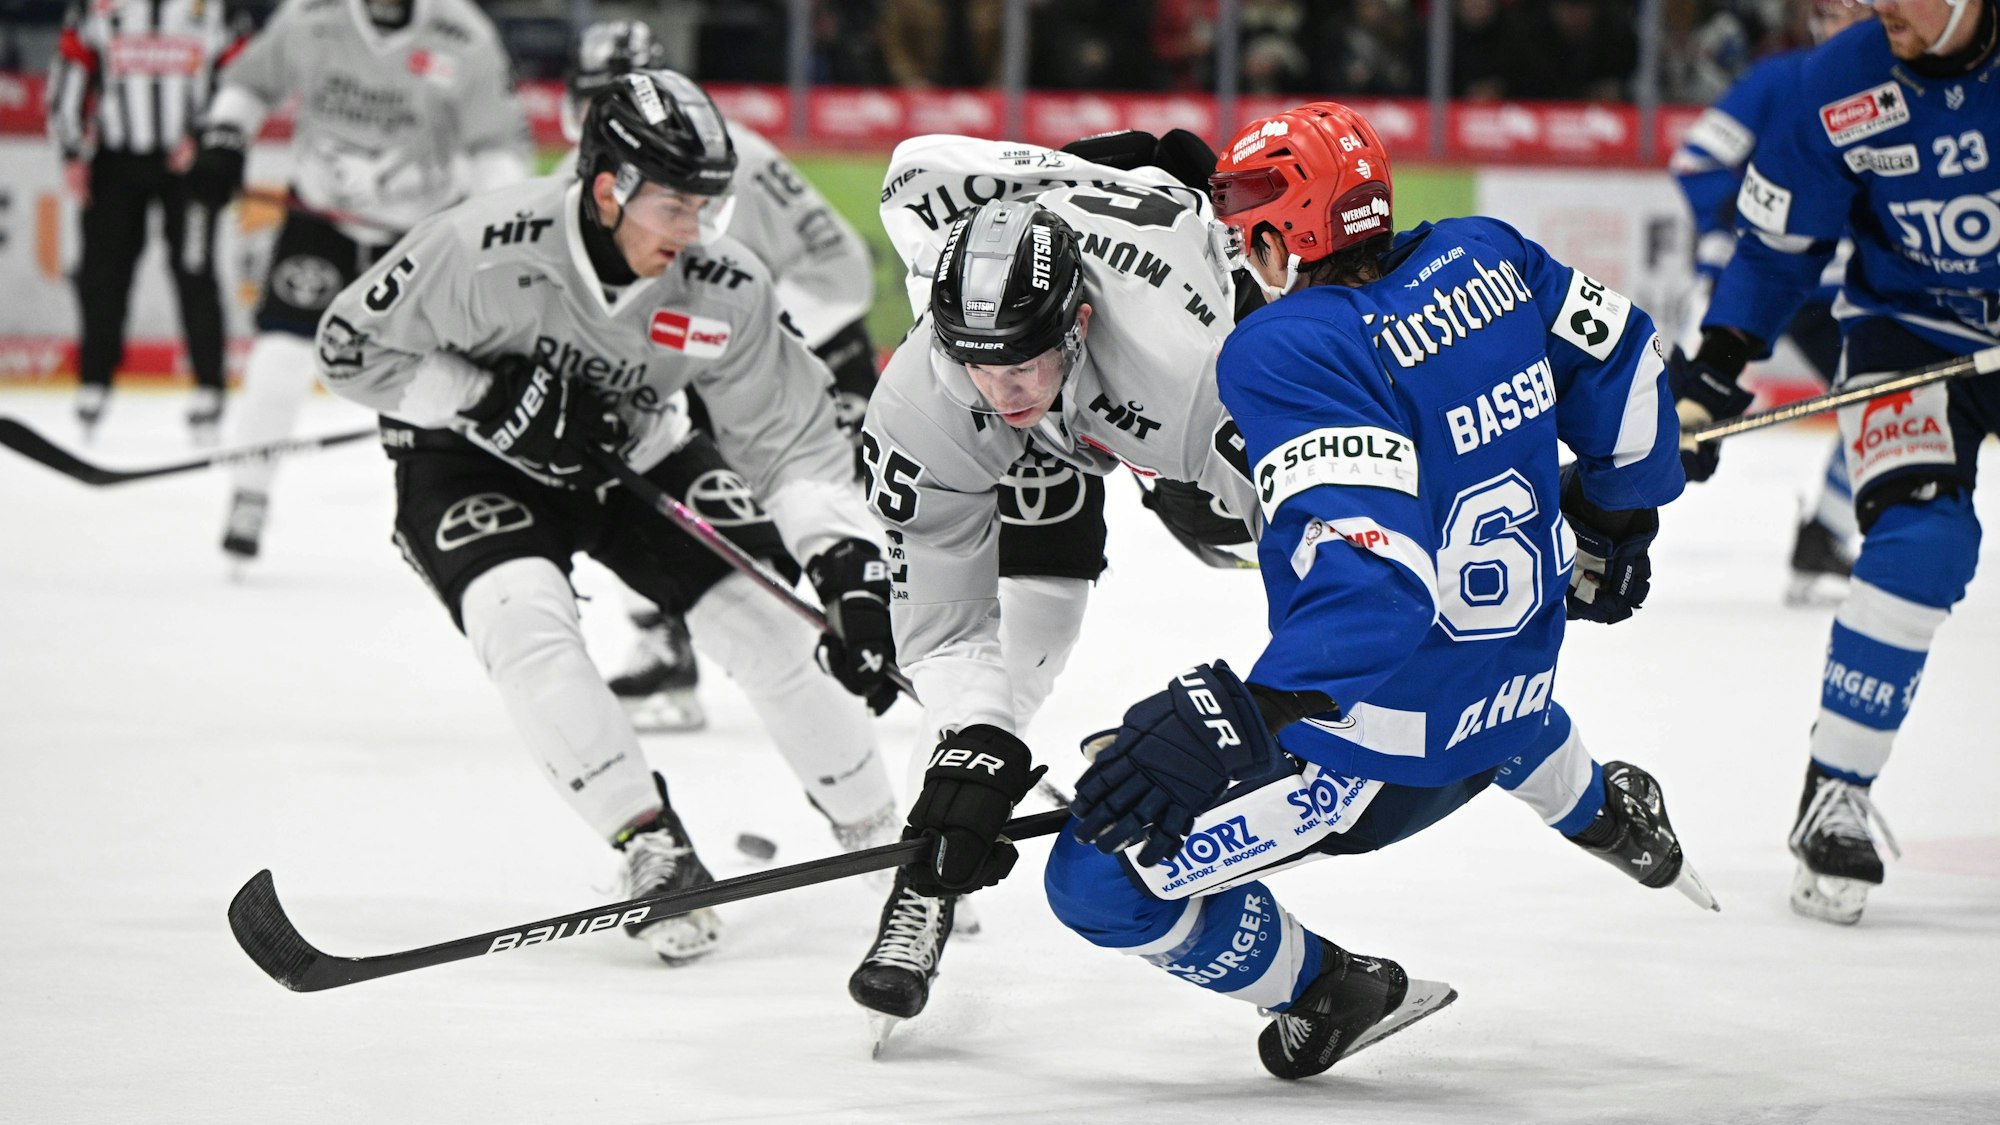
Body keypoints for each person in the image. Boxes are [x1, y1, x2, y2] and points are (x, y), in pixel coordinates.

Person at [909, 100, 1709, 1080]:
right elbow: (1627, 364)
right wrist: (1621, 525)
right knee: (1463, 670)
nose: (1237, 237)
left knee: (1097, 878)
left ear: (1286, 231)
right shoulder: (1487, 255)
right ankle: (1603, 812)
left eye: (1247, 215)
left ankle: (1326, 989)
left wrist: (1247, 709)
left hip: (1379, 755)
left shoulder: (1284, 347)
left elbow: (1367, 587)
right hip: (1522, 676)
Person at [310, 69, 902, 964]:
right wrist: (477, 394)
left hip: (633, 450)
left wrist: (843, 566)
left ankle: (881, 842)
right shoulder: (477, 244)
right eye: (673, 206)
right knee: (522, 625)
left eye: (707, 206)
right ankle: (651, 846)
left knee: (773, 626)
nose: (693, 231)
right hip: (468, 459)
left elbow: (789, 444)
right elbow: (346, 348)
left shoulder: (723, 284)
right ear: (606, 189)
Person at [846, 129, 1259, 1042]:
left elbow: (1338, 536)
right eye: (981, 363)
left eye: (1025, 360)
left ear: (1076, 321)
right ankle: (920, 893)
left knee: (1234, 531)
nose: (1006, 387)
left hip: (1166, 390)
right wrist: (978, 744)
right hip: (1079, 398)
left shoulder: (1193, 368)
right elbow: (948, 631)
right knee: (1023, 645)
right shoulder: (929, 394)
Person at [1673, 0, 2000, 925]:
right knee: (1920, 544)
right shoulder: (1843, 78)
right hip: (1907, 334)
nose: (1879, 4)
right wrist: (1716, 371)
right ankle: (1836, 790)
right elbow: (1778, 248)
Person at [558, 19, 882, 733]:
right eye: (587, 97)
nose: (593, 117)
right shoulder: (571, 193)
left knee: (844, 506)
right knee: (623, 473)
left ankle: (900, 632)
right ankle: (662, 640)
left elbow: (842, 274)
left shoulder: (742, 159)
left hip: (800, 353)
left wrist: (743, 337)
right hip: (695, 365)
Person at [183, 0, 532, 565]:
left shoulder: (463, 34)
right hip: (321, 224)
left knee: (451, 379)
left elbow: (495, 144)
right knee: (279, 357)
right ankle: (250, 492)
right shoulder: (310, 18)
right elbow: (250, 82)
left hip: (420, 238)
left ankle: (468, 501)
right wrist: (225, 138)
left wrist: (503, 222)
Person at [1670, 0, 1877, 603]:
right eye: (1831, 15)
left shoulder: (1894, 89)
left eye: (1855, 14)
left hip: (1835, 291)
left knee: (1882, 394)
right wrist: (1737, 214)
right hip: (1750, 281)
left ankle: (1825, 532)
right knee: (1683, 406)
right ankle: (1609, 517)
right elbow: (1696, 158)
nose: (1840, 27)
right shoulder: (1783, 78)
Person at [46, 0, 241, 445]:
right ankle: (94, 382)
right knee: (103, 277)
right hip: (116, 162)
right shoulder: (97, 7)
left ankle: (209, 388)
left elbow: (239, 78)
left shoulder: (214, 9)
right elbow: (70, 73)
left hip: (189, 167)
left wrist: (209, 141)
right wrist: (72, 152)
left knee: (195, 272)